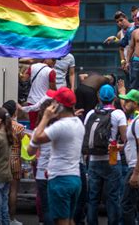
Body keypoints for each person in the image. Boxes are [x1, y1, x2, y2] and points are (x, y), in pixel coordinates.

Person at [32, 87, 85, 225]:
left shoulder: (61, 126)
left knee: (60, 221)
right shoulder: (78, 123)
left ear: (59, 106)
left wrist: (45, 117)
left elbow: (37, 138)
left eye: (54, 103)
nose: (51, 106)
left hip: (60, 180)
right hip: (75, 178)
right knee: (69, 219)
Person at [84, 84, 127, 225]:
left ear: (99, 97)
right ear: (114, 97)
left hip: (94, 159)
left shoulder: (91, 114)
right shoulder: (118, 114)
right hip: (113, 158)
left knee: (93, 197)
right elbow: (125, 138)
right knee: (113, 197)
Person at [119, 89, 139, 225]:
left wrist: (136, 172)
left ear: (136, 103)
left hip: (136, 168)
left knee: (126, 205)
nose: (124, 103)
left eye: (128, 101)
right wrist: (122, 147)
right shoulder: (135, 120)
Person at [28, 99, 54, 225]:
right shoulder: (61, 128)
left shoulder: (38, 131)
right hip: (58, 173)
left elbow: (31, 152)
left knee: (47, 208)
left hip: (42, 173)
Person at [2, 100, 26, 225]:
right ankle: (11, 219)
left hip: (3, 159)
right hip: (16, 159)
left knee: (2, 190)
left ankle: (2, 217)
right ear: (15, 112)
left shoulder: (1, 126)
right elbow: (25, 145)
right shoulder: (20, 128)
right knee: (13, 190)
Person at [26, 58, 57, 129]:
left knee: (33, 124)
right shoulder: (51, 71)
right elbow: (53, 88)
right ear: (46, 58)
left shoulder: (32, 66)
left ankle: (33, 139)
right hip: (44, 102)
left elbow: (25, 78)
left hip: (32, 101)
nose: (55, 63)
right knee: (44, 124)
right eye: (53, 60)